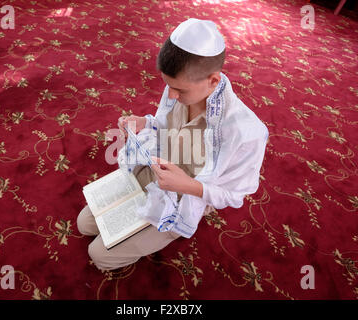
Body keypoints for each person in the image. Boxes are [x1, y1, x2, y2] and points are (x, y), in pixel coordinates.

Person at [76, 18, 269, 271]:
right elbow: (163, 125)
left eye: (179, 90)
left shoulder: (247, 132)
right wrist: (145, 124)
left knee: (99, 254)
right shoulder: (179, 88)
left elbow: (234, 195)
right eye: (168, 86)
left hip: (185, 194)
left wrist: (187, 185)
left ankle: (175, 228)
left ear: (213, 80)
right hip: (154, 169)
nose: (171, 95)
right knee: (84, 224)